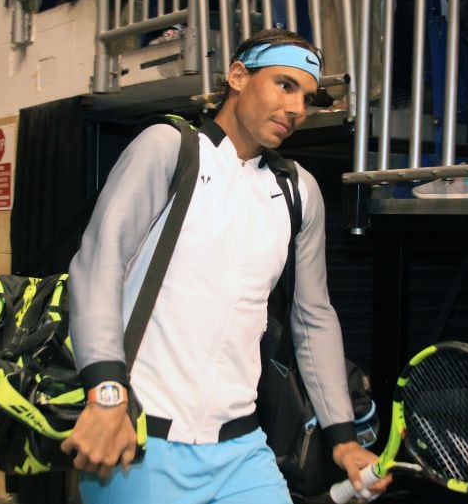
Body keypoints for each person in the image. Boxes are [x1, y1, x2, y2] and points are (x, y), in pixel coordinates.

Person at [62, 28, 392, 503]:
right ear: (238, 75)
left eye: (308, 96)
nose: (298, 108)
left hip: (242, 450)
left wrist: (341, 438)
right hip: (141, 443)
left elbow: (313, 316)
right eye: (284, 84)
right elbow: (98, 266)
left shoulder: (299, 191)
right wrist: (106, 395)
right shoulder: (170, 148)